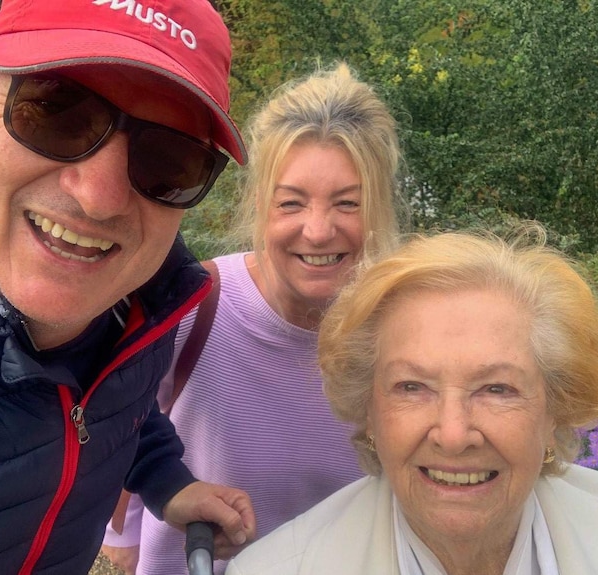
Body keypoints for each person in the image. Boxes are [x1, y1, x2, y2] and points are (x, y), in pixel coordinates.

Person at [0, 0, 259, 573]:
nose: (98, 197)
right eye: (55, 112)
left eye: (168, 159)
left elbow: (114, 403)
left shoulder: (143, 299)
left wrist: (166, 481)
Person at [227, 226, 598, 575]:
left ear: (555, 406)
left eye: (497, 389)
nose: (452, 434)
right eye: (412, 387)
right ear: (369, 411)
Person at [100, 62, 410, 574]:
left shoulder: (398, 329)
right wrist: (125, 531)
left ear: (376, 210)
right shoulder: (195, 304)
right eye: (291, 203)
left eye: (347, 203)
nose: (317, 230)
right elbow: (124, 418)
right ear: (260, 206)